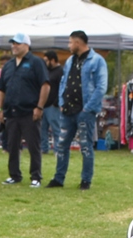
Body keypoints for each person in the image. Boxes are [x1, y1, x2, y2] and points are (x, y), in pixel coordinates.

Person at [49, 30, 107, 190]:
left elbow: (101, 87)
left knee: (85, 146)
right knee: (61, 145)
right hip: (68, 110)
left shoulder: (96, 60)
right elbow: (63, 82)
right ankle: (58, 178)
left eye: (70, 42)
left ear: (78, 43)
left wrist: (88, 108)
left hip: (84, 111)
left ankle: (85, 180)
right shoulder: (70, 61)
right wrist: (61, 101)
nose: (68, 46)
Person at [0, 32, 49, 188]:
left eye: (17, 43)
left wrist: (39, 107)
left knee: (34, 145)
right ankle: (14, 175)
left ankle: (36, 176)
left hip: (29, 111)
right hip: (11, 112)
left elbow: (45, 85)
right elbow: (1, 89)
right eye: (13, 43)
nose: (14, 46)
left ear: (26, 45)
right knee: (11, 145)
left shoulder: (36, 62)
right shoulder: (9, 66)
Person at [40, 51, 62, 154]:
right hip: (44, 104)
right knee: (42, 129)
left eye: (46, 61)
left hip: (53, 105)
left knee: (56, 129)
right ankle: (44, 148)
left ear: (52, 60)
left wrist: (56, 102)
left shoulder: (60, 72)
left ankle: (57, 149)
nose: (45, 63)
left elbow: (62, 88)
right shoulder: (47, 71)